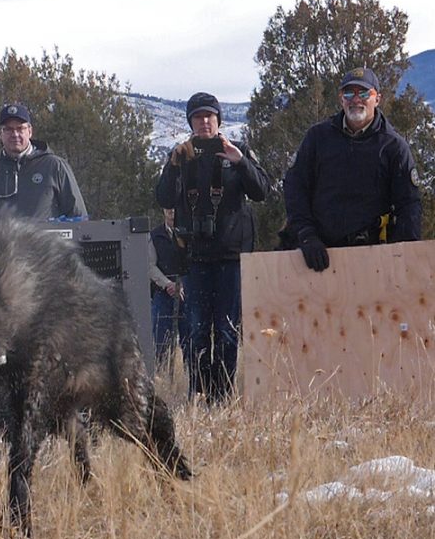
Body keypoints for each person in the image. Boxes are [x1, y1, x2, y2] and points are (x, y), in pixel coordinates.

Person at [155, 92, 269, 404]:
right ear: (190, 122)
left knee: (228, 330)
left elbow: (262, 191)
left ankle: (224, 395)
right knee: (195, 330)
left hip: (231, 257)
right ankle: (198, 393)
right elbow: (164, 198)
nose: (204, 122)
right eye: (198, 117)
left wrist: (240, 161)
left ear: (219, 120)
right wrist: (173, 166)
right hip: (194, 258)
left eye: (210, 116)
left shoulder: (238, 151)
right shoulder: (181, 156)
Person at [284, 67, 422, 272]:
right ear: (341, 99)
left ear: (377, 99)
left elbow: (409, 205)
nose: (355, 99)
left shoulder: (393, 146)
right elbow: (296, 189)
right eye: (349, 93)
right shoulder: (317, 138)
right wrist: (306, 236)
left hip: (375, 258)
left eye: (364, 93)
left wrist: (400, 257)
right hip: (320, 257)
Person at [0, 102, 87, 219]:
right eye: (8, 129)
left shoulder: (55, 166)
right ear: (0, 134)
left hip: (44, 237)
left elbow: (78, 218)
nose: (15, 134)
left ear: (30, 131)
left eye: (20, 128)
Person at [149, 208, 190, 373]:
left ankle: (192, 380)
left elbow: (195, 262)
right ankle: (161, 381)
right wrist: (168, 284)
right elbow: (149, 265)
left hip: (188, 294)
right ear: (163, 210)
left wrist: (184, 285)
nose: (172, 211)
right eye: (168, 208)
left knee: (191, 341)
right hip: (163, 294)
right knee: (160, 342)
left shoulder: (189, 232)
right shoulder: (154, 235)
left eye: (174, 207)